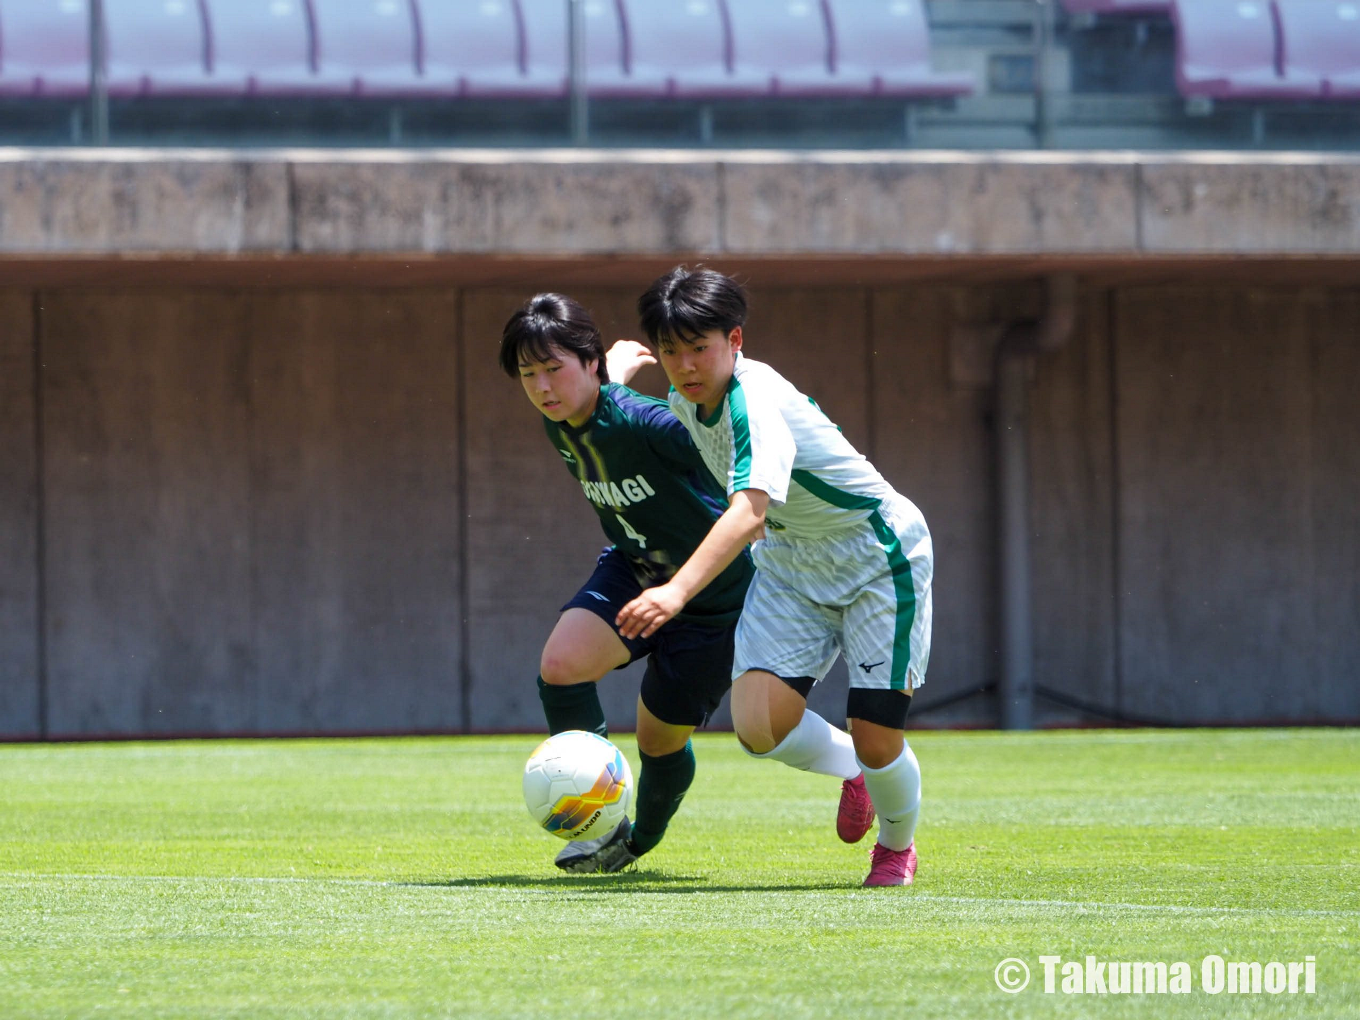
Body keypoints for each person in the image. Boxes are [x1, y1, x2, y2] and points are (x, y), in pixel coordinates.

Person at [616, 268, 933, 887]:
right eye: (671, 350)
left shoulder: (753, 401)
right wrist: (611, 384)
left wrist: (676, 591)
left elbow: (749, 512)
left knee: (876, 736)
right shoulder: (690, 400)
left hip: (875, 553)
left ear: (735, 340)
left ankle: (897, 847)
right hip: (791, 565)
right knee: (758, 726)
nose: (685, 364)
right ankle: (853, 775)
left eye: (699, 346)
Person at [500, 293, 775, 873]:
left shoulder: (647, 422)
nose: (543, 387)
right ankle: (600, 818)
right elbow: (597, 401)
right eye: (529, 374)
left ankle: (640, 838)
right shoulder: (563, 418)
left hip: (712, 599)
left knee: (658, 740)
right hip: (634, 567)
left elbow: (730, 458)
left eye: (555, 369)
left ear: (590, 364)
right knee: (561, 666)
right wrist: (615, 372)